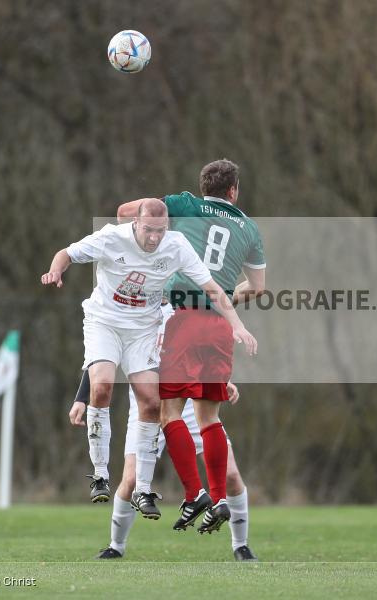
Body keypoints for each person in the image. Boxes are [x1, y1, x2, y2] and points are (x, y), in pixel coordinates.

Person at [41, 199, 257, 519]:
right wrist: (56, 269)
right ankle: (101, 479)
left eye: (161, 231)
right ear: (136, 224)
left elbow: (212, 290)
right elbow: (67, 254)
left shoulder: (177, 254)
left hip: (148, 342)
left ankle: (148, 491)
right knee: (104, 388)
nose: (155, 238)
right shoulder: (111, 238)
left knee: (156, 406)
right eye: (148, 230)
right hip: (109, 327)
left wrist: (236, 328)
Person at [116, 159, 265, 534]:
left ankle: (194, 493)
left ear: (204, 187)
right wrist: (224, 298)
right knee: (210, 418)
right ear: (234, 191)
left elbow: (125, 212)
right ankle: (219, 499)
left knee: (169, 414)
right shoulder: (249, 228)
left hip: (182, 319)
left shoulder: (185, 204)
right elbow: (259, 288)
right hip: (219, 326)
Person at [68, 371, 258, 561]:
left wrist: (221, 377)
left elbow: (199, 350)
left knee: (230, 475)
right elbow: (100, 357)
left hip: (189, 402)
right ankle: (115, 547)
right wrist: (81, 398)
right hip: (146, 404)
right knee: (132, 479)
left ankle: (241, 546)